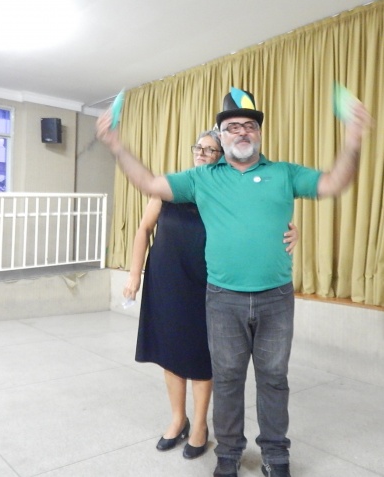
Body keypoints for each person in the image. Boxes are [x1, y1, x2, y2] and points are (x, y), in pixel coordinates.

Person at [97, 87, 373, 477]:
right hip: (223, 298)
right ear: (222, 136)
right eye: (232, 127)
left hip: (275, 297)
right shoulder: (203, 178)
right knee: (226, 379)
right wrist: (115, 143)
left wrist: (353, 139)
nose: (242, 131)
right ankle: (228, 453)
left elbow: (333, 183)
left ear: (259, 133)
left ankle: (275, 454)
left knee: (274, 379)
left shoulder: (284, 173)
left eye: (249, 125)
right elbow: (149, 183)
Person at [124, 128, 300, 460]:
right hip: (166, 280)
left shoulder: (226, 191)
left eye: (210, 149)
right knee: (170, 351)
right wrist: (134, 275)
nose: (202, 153)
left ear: (222, 157)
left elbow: (260, 221)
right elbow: (144, 228)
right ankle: (178, 420)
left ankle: (201, 426)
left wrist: (292, 231)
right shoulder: (171, 187)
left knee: (201, 357)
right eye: (199, 148)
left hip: (206, 284)